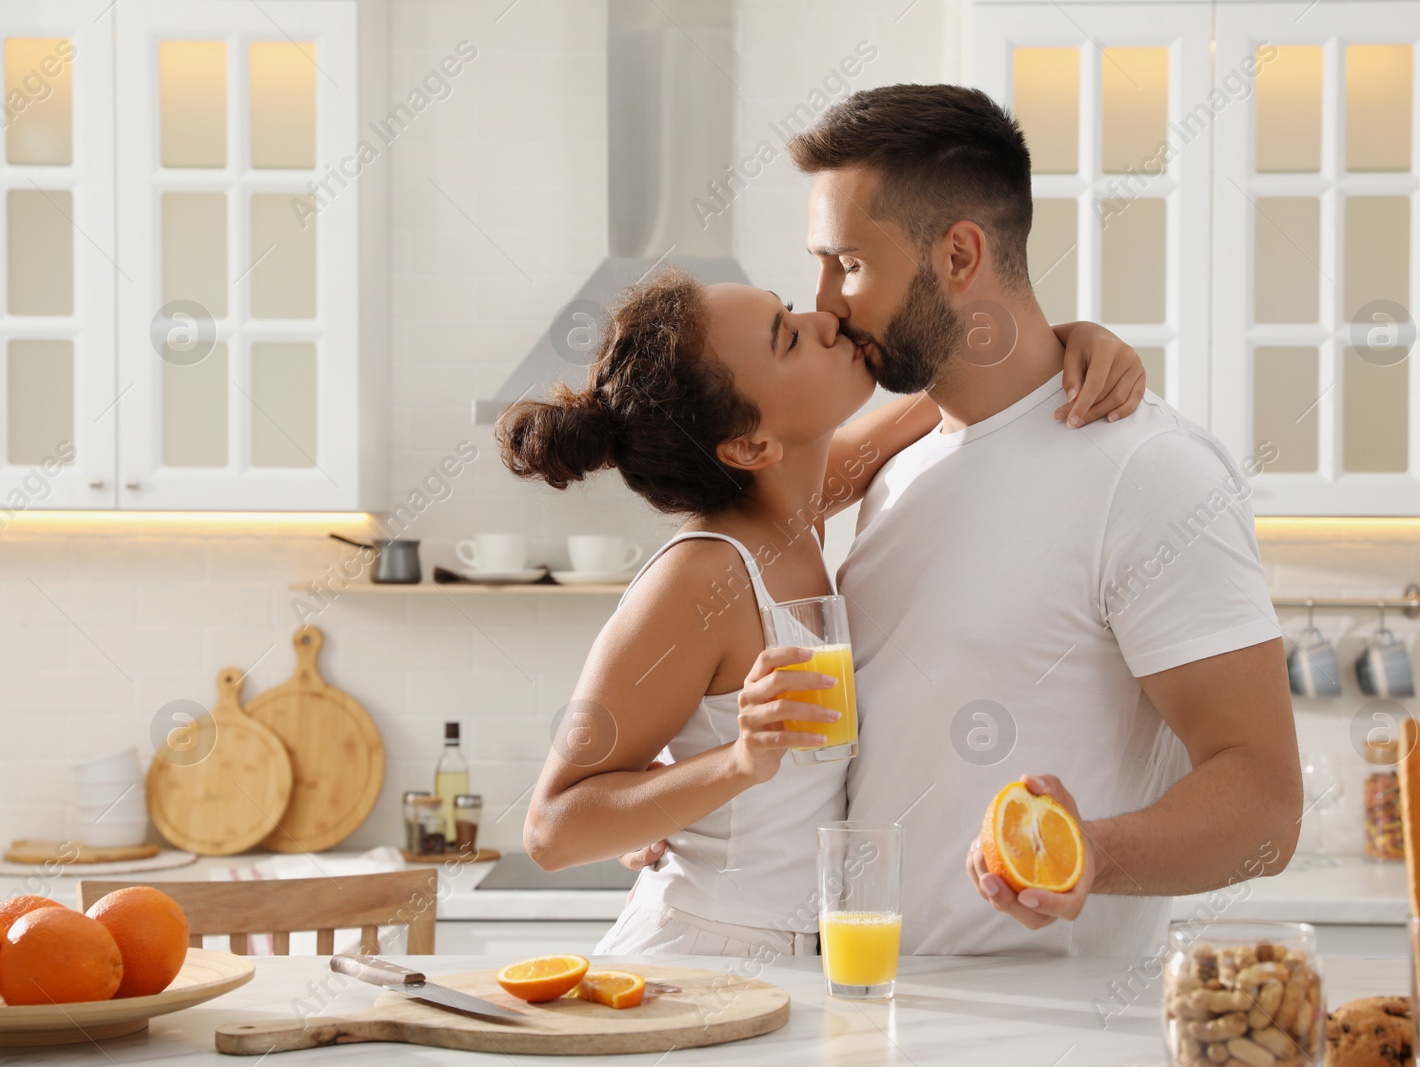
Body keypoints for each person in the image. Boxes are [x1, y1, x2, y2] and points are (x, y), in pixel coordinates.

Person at [783, 84, 1302, 957]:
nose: (823, 302)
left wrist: (1089, 852)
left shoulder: (1148, 470)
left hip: (1048, 1032)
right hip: (875, 1009)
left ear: (958, 255)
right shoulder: (902, 468)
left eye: (850, 264)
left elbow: (1265, 805)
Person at [503, 264, 1149, 958]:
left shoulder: (791, 514)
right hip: (694, 960)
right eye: (788, 338)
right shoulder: (703, 576)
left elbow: (946, 404)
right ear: (751, 445)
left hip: (796, 967)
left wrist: (1069, 345)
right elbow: (551, 829)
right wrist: (740, 762)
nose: (822, 320)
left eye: (787, 309)